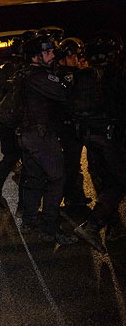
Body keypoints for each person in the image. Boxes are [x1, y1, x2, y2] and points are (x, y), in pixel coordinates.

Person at [15, 34, 77, 244]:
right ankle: (50, 228)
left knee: (34, 179)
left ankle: (29, 220)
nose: (52, 55)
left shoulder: (26, 74)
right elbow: (66, 94)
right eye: (48, 52)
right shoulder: (40, 76)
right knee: (57, 179)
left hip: (27, 136)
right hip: (41, 137)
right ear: (35, 56)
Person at [71, 32, 126, 252]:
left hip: (89, 136)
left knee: (106, 179)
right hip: (110, 137)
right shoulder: (114, 75)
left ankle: (113, 227)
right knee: (120, 181)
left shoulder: (83, 76)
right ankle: (93, 225)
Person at [0, 34, 30, 213]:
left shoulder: (3, 68)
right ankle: (23, 205)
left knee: (10, 158)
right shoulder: (22, 69)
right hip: (18, 121)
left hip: (6, 120)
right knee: (27, 161)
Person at [54, 37, 91, 209]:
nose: (76, 60)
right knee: (71, 164)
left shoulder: (73, 72)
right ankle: (68, 196)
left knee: (74, 164)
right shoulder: (61, 75)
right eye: (72, 56)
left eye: (78, 56)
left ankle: (74, 194)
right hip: (66, 126)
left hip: (73, 125)